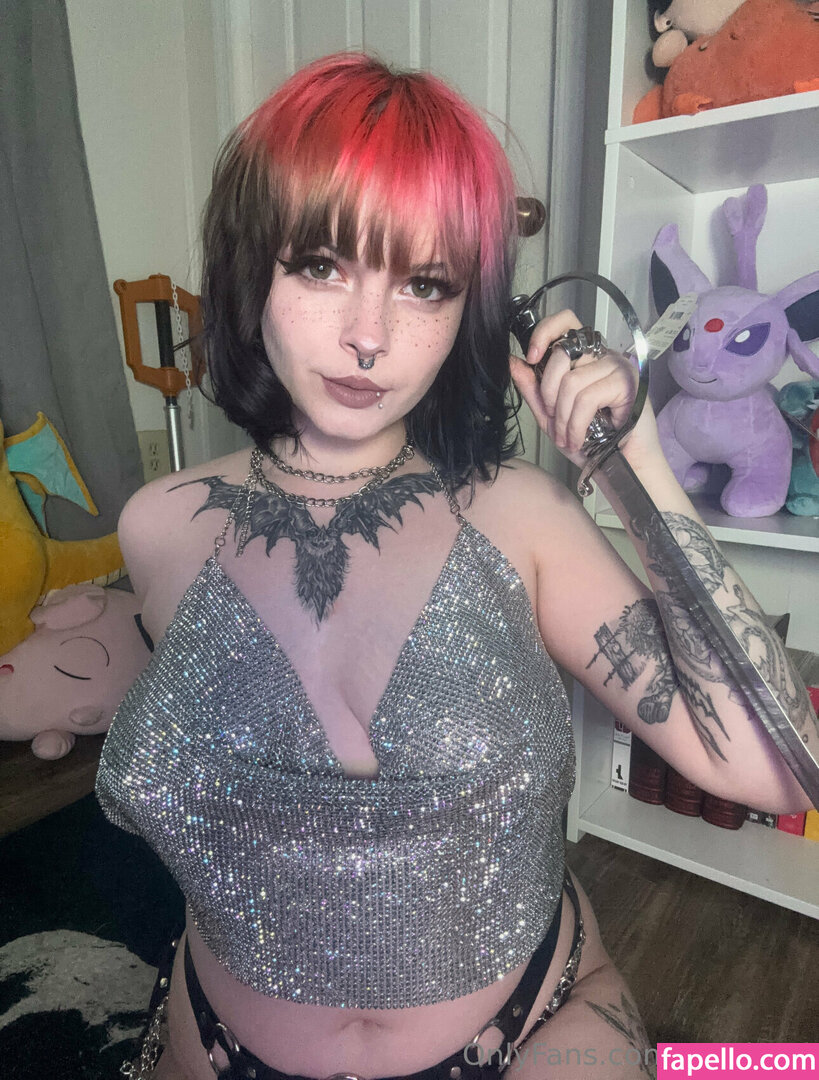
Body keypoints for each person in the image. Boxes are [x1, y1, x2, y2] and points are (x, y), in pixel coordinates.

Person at [96, 53, 816, 1080]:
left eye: (424, 284)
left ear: (468, 308)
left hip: (530, 1025)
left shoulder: (520, 518)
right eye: (320, 265)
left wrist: (635, 464)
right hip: (212, 1037)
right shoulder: (157, 526)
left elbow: (776, 767)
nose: (369, 336)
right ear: (252, 269)